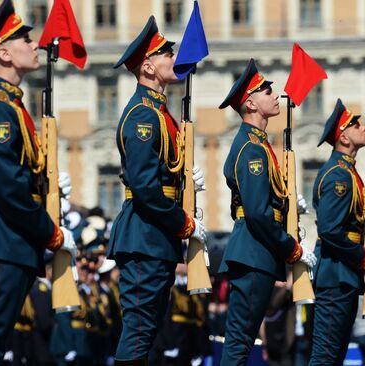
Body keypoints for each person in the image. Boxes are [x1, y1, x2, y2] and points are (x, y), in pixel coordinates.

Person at [0, 1, 76, 363]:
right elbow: (9, 187)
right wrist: (51, 232)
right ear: (5, 53)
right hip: (2, 239)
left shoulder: (12, 105)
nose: (35, 44)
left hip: (14, 241)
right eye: (25, 39)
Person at [107, 15, 206, 365]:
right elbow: (146, 188)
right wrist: (183, 222)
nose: (173, 58)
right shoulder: (143, 116)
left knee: (147, 329)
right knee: (138, 329)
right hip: (145, 233)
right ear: (148, 66)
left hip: (155, 234)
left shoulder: (158, 112)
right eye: (166, 53)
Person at [218, 58, 317, 365]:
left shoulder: (259, 145)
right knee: (239, 340)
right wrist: (291, 248)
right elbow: (259, 213)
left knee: (244, 339)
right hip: (252, 252)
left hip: (257, 252)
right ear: (250, 103)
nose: (275, 95)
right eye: (266, 91)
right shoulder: (251, 148)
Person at [309, 99, 365, 365]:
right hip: (336, 274)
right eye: (355, 125)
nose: (363, 127)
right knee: (326, 355)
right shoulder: (339, 176)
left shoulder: (348, 172)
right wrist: (364, 257)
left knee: (335, 354)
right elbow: (330, 230)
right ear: (343, 137)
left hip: (344, 273)